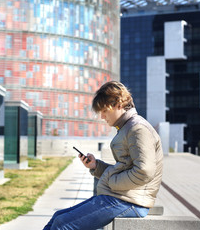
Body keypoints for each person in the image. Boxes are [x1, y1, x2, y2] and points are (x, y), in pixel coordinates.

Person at [43, 81, 163, 230]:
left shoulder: (138, 129)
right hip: (123, 197)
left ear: (119, 104)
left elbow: (144, 172)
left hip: (131, 202)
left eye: (104, 110)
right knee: (58, 217)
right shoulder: (128, 128)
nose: (102, 116)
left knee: (63, 225)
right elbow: (126, 168)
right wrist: (96, 166)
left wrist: (111, 182)